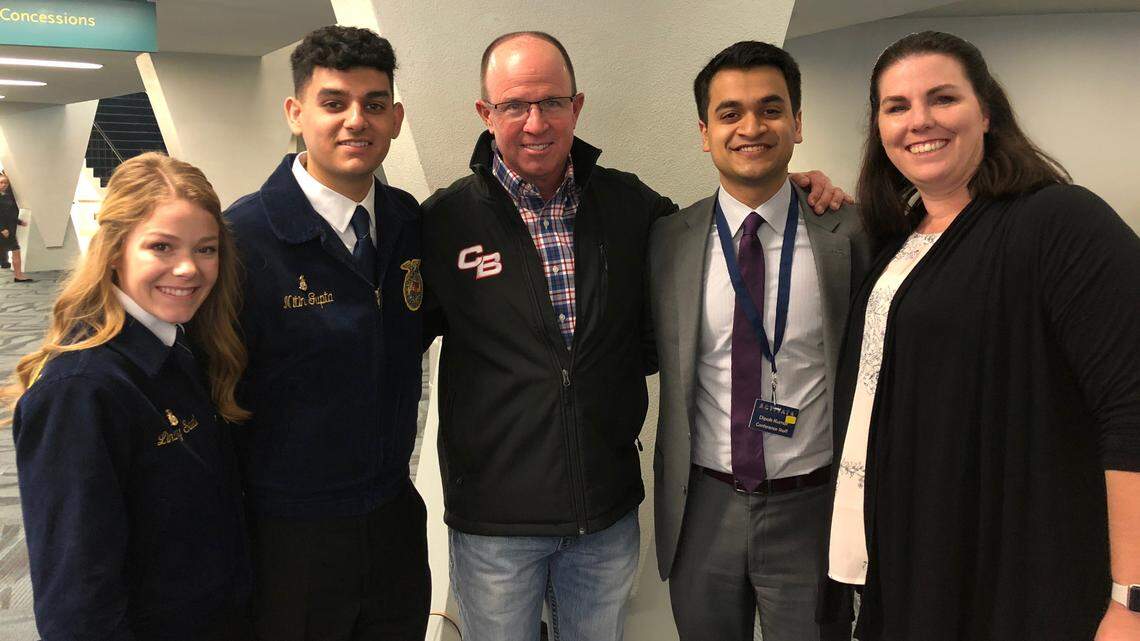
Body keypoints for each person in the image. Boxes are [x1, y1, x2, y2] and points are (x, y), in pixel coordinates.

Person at [421, 31, 849, 641]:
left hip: (605, 514)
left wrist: (803, 191)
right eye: (515, 106)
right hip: (495, 524)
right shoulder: (441, 222)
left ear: (578, 106)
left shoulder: (639, 213)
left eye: (552, 102)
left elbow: (658, 342)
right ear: (486, 115)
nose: (535, 121)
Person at [826, 31, 1140, 641]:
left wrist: (1130, 600)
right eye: (896, 107)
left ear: (987, 111)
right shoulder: (899, 240)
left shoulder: (1059, 221)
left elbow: (1132, 410)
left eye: (942, 99)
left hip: (1016, 575)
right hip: (913, 569)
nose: (919, 121)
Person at [649, 41, 872, 641]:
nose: (751, 127)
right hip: (703, 508)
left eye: (771, 109)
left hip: (811, 506)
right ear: (705, 132)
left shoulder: (850, 233)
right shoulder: (668, 239)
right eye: (730, 113)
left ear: (797, 123)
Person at [225, 25, 429, 640]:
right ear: (296, 113)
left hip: (392, 516)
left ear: (395, 117)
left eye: (372, 104)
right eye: (333, 103)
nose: (354, 122)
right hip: (292, 534)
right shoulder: (244, 239)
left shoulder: (405, 224)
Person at [5, 152, 252, 640]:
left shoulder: (180, 346)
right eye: (161, 247)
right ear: (115, 250)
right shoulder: (80, 390)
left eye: (206, 249)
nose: (188, 269)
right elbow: (76, 595)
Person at [0, 171, 32, 282]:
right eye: (1, 183)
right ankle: (18, 276)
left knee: (16, 250)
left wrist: (19, 222)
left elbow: (9, 214)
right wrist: (2, 229)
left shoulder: (7, 196)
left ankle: (18, 275)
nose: (4, 185)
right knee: (15, 250)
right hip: (4, 230)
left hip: (9, 229)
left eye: (6, 183)